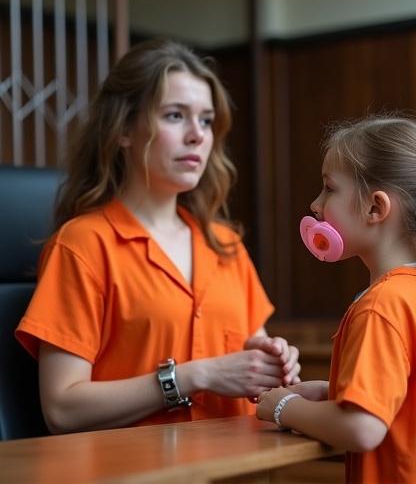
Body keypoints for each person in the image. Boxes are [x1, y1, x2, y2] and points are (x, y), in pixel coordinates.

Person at [16, 38, 300, 434]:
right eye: (174, 116)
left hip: (241, 467)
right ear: (124, 130)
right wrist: (193, 376)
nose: (197, 136)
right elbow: (62, 408)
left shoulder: (225, 244)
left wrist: (273, 363)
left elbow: (257, 362)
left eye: (205, 120)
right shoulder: (83, 243)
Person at [256, 114, 416, 483]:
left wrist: (285, 407)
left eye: (329, 188)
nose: (315, 205)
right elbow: (409, 398)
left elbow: (363, 428)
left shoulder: (381, 306)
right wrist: (331, 392)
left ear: (375, 208)